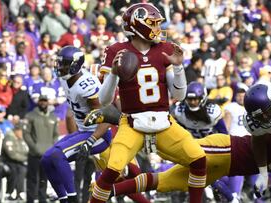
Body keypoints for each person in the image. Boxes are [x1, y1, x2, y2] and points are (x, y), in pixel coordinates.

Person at [88, 3, 207, 203]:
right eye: (152, 24)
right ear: (137, 25)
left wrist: (178, 69)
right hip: (132, 123)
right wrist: (114, 75)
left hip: (163, 122)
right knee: (112, 169)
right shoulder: (117, 51)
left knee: (198, 158)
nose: (157, 28)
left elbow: (179, 95)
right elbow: (104, 100)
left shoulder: (165, 49)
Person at [91, 133, 271, 203]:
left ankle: (106, 191)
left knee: (165, 182)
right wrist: (261, 171)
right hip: (224, 149)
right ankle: (139, 135)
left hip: (222, 169)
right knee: (171, 151)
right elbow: (262, 136)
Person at [40, 46, 118, 203]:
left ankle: (73, 199)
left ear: (75, 65)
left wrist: (90, 141)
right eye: (59, 63)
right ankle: (64, 199)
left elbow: (107, 118)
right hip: (83, 131)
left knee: (57, 155)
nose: (59, 67)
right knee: (46, 159)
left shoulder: (87, 85)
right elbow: (71, 112)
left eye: (64, 64)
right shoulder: (65, 79)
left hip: (98, 135)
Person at [23, 94, 59, 203]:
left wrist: (52, 148)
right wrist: (34, 148)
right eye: (41, 101)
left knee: (44, 180)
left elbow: (56, 135)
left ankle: (42, 200)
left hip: (47, 155)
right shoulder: (30, 116)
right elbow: (26, 134)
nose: (43, 103)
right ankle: (30, 200)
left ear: (48, 102)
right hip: (34, 154)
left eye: (45, 101)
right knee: (32, 179)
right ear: (38, 102)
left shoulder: (53, 117)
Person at [2, 123, 28, 201]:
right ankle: (9, 193)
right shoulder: (9, 137)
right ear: (17, 130)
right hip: (7, 161)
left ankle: (20, 193)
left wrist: (26, 159)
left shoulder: (21, 138)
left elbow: (25, 151)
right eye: (21, 131)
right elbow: (12, 154)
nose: (23, 133)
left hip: (19, 161)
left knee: (23, 169)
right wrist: (25, 159)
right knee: (14, 170)